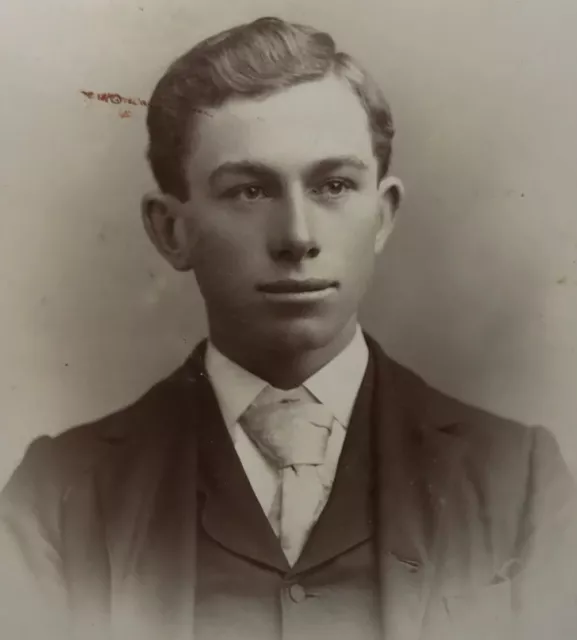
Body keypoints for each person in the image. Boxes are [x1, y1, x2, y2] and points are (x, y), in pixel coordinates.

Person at [1, 16, 575, 640]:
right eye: (249, 191)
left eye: (333, 185)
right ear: (171, 230)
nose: (298, 238)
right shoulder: (57, 498)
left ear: (382, 217)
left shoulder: (518, 483)